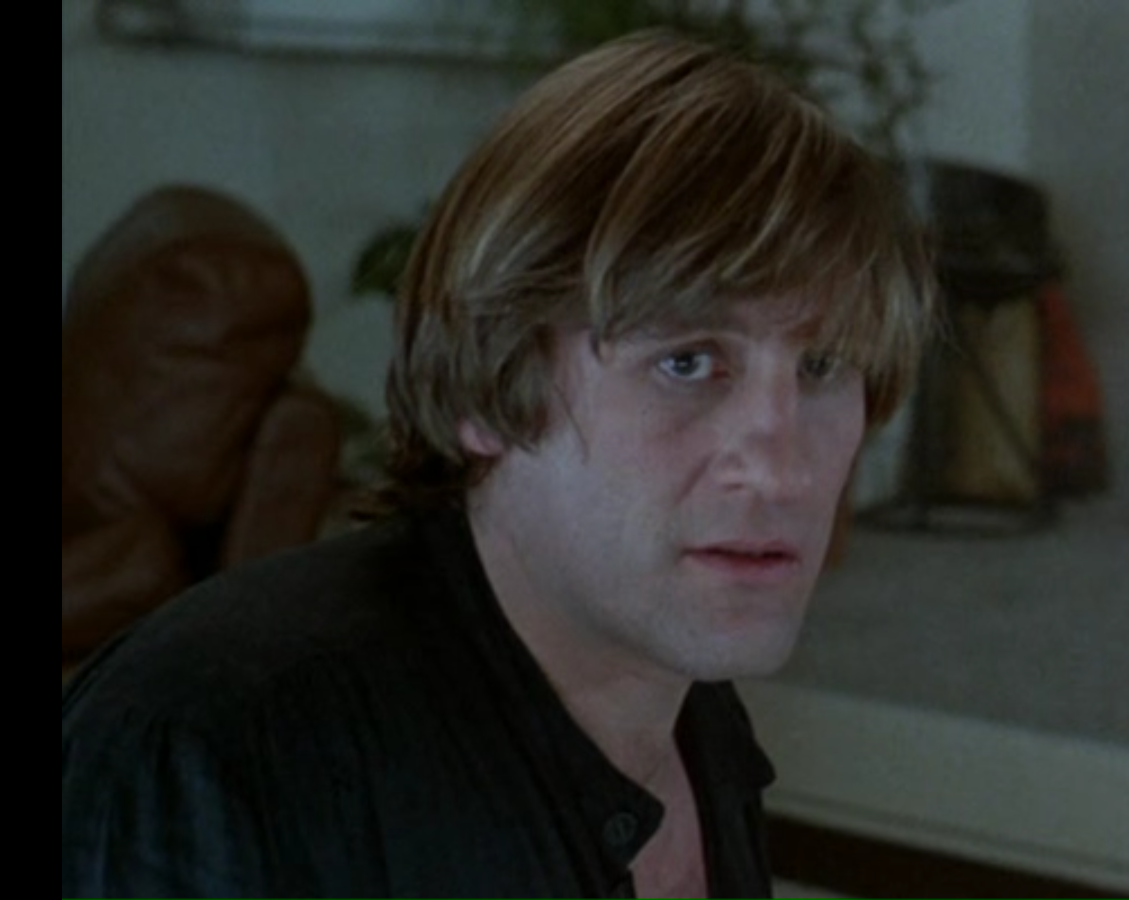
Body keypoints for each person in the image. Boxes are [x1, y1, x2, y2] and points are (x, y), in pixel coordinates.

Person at [61, 29, 934, 899]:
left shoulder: (686, 699)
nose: (784, 473)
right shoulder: (217, 756)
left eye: (822, 366)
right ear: (489, 388)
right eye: (686, 362)